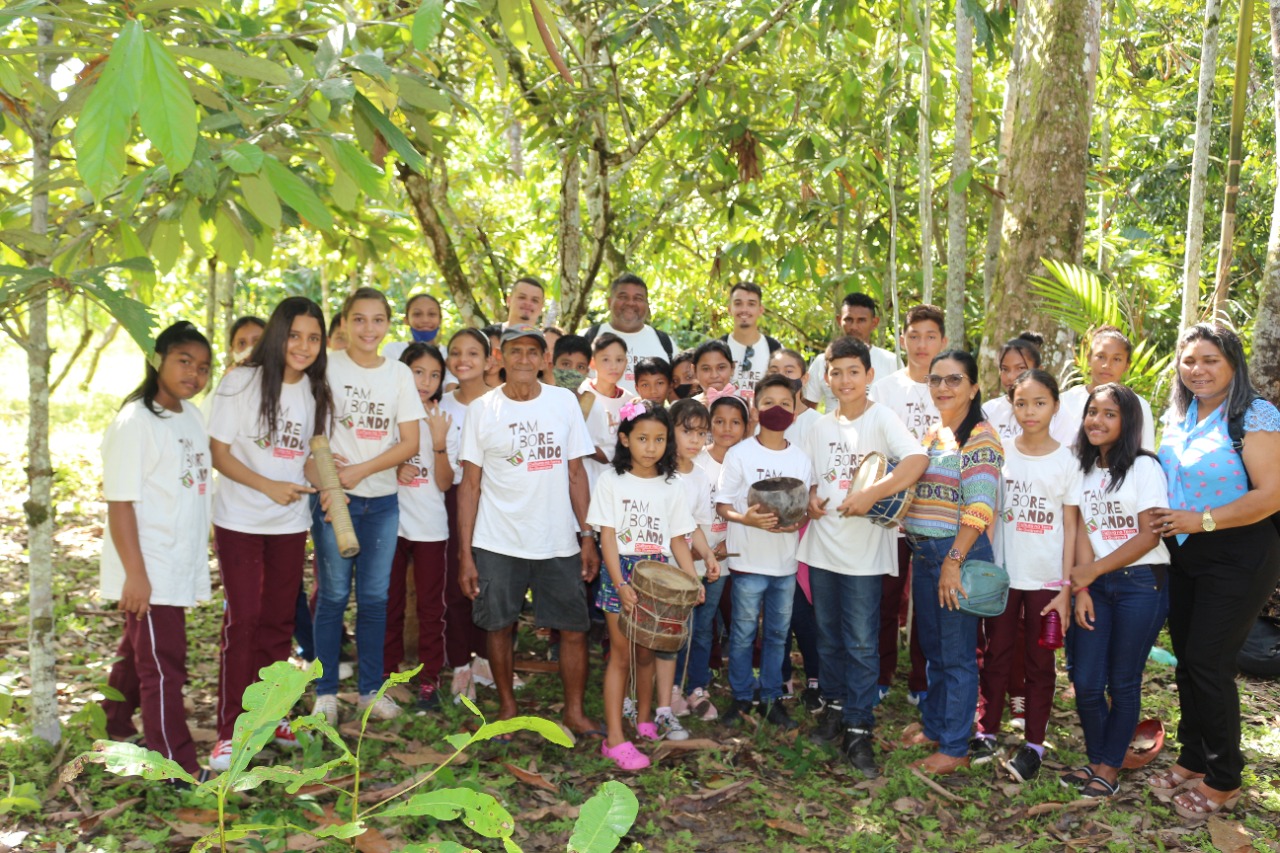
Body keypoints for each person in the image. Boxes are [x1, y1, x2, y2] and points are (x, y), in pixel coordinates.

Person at [1151, 323, 1280, 819]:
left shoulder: (1253, 414)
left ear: (1233, 364)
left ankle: (1224, 778)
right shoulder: (1178, 414)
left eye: (1210, 360)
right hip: (1185, 554)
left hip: (1239, 554)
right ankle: (1192, 758)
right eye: (1189, 361)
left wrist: (1200, 521)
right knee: (1187, 660)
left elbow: (1270, 494)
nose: (1198, 370)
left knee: (1210, 662)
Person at [457, 324, 600, 736]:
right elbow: (470, 485)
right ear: (501, 357)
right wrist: (466, 553)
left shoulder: (563, 404)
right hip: (497, 539)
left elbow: (576, 475)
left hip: (556, 539)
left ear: (544, 360)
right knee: (498, 624)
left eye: (531, 352)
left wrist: (586, 535)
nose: (523, 359)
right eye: (514, 351)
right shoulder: (482, 409)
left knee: (573, 628)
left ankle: (573, 712)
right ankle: (507, 707)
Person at [207, 297, 329, 771]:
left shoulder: (316, 392)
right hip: (240, 520)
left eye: (314, 338)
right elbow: (219, 452)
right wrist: (267, 485)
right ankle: (230, 731)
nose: (303, 346)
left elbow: (308, 455)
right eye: (295, 335)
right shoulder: (241, 382)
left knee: (279, 623)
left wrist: (323, 474)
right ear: (279, 334)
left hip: (289, 523)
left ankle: (271, 715)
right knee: (245, 621)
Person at [801, 336, 928, 777]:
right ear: (826, 377)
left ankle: (859, 727)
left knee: (860, 641)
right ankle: (835, 708)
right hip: (822, 547)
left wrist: (873, 493)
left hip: (865, 556)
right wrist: (811, 500)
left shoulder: (882, 417)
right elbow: (811, 481)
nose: (844, 379)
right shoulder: (817, 426)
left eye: (853, 371)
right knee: (828, 637)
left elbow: (916, 460)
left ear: (869, 375)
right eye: (836, 372)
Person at [101, 321, 213, 781]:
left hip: (176, 559)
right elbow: (119, 502)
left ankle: (112, 723)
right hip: (149, 566)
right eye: (183, 361)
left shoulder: (189, 415)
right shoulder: (135, 422)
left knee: (139, 649)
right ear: (157, 360)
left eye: (204, 367)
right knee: (164, 665)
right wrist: (136, 575)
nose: (194, 374)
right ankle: (175, 766)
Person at [307, 287, 424, 725]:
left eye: (377, 320)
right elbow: (309, 430)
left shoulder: (397, 374)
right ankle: (326, 692)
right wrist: (328, 477)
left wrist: (362, 470)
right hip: (335, 502)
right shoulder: (327, 368)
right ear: (343, 323)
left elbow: (410, 442)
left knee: (375, 599)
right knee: (333, 596)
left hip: (382, 503)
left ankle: (371, 691)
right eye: (359, 319)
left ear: (388, 325)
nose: (368, 329)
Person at [1062, 383, 1170, 798]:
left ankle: (1108, 768)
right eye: (1092, 412)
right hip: (1099, 586)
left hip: (1142, 584)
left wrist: (1091, 571)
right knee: (1086, 680)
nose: (1097, 420)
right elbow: (1088, 529)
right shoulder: (1084, 469)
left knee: (1122, 682)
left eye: (1109, 414)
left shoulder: (1145, 468)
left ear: (1127, 423)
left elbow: (1147, 537)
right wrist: (1085, 585)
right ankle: (1095, 758)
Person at [898, 349, 1002, 775]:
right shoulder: (934, 434)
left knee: (957, 654)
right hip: (926, 554)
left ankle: (956, 746)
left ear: (974, 387)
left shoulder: (980, 437)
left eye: (954, 379)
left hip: (956, 556)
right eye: (936, 380)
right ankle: (938, 726)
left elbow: (980, 508)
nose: (943, 387)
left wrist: (953, 562)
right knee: (935, 650)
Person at [975, 369, 1080, 783]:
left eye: (1039, 403)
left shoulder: (1068, 460)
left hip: (1046, 582)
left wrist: (1067, 586)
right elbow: (988, 514)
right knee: (996, 653)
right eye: (1021, 403)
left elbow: (1072, 527)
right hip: (1003, 576)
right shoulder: (1000, 453)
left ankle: (1033, 744)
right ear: (1011, 406)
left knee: (1040, 663)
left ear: (1055, 405)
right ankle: (986, 731)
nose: (1030, 411)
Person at [588, 402, 702, 769]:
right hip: (621, 573)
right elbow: (606, 538)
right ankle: (615, 738)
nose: (651, 447)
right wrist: (620, 583)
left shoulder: (671, 485)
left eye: (659, 439)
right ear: (625, 439)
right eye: (642, 438)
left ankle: (645, 719)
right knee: (621, 656)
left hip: (659, 578)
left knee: (648, 653)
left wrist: (692, 580)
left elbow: (678, 540)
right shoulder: (610, 481)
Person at [716, 374, 815, 730]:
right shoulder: (739, 454)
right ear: (756, 407)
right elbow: (722, 505)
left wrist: (796, 521)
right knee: (742, 633)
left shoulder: (801, 459)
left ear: (795, 411)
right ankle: (742, 696)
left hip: (784, 563)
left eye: (785, 404)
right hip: (747, 561)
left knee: (777, 634)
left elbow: (802, 507)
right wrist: (747, 519)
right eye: (769, 402)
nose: (777, 409)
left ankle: (772, 697)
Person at [870, 304, 948, 706]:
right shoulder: (884, 389)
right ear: (902, 339)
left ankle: (922, 678)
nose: (921, 344)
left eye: (930, 336)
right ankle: (881, 674)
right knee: (886, 595)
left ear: (943, 341)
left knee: (929, 602)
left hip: (937, 513)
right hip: (892, 511)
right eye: (914, 336)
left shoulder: (952, 385)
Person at [384, 343, 455, 712]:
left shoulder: (441, 418)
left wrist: (440, 445)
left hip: (430, 526)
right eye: (418, 372)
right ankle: (386, 676)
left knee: (431, 607)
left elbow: (444, 483)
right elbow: (371, 460)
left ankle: (430, 682)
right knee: (389, 602)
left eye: (434, 374)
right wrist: (394, 466)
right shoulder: (389, 412)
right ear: (402, 371)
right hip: (390, 522)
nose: (426, 381)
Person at [679, 392, 749, 720]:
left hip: (718, 561)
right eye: (718, 421)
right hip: (684, 556)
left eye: (735, 422)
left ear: (746, 428)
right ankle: (672, 687)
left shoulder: (745, 463)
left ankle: (697, 685)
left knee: (704, 624)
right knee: (680, 624)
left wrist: (719, 550)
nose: (726, 428)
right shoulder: (695, 462)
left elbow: (745, 513)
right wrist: (698, 549)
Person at [440, 329, 498, 700]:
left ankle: (487, 660)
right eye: (456, 353)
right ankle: (460, 664)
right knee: (456, 583)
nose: (464, 359)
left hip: (496, 502)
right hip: (452, 499)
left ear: (489, 361)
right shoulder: (440, 406)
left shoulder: (501, 404)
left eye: (473, 353)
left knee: (493, 582)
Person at [667, 399, 723, 719]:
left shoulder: (701, 477)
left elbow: (697, 526)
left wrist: (708, 557)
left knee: (690, 630)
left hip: (689, 568)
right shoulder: (658, 474)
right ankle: (667, 689)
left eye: (701, 433)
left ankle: (687, 687)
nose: (694, 440)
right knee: (668, 632)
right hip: (661, 568)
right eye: (686, 431)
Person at [1056, 326, 1155, 449]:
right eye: (1101, 356)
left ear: (1127, 365)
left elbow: (1145, 455)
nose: (1107, 365)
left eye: (1117, 359)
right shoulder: (1065, 402)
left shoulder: (1138, 406)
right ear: (1089, 358)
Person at [804, 293, 901, 412]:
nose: (854, 327)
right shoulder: (822, 361)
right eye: (848, 320)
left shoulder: (891, 361)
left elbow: (901, 407)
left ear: (874, 323)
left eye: (861, 320)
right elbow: (806, 410)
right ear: (839, 320)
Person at [582, 273, 677, 390]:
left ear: (647, 305)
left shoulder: (665, 343)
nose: (630, 303)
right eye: (623, 297)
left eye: (638, 298)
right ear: (609, 302)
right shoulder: (587, 338)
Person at [582, 333, 632, 491]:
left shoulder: (629, 401)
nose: (614, 366)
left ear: (626, 362)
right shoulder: (581, 392)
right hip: (584, 479)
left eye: (619, 360)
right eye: (605, 360)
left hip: (616, 484)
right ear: (592, 362)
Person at [717, 281, 781, 390]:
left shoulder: (775, 350)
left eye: (751, 304)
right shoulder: (717, 349)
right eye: (738, 303)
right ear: (729, 309)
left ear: (760, 310)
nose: (744, 309)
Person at [982, 332, 1045, 443]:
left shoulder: (1053, 412)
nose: (1011, 377)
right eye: (1005, 369)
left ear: (1038, 370)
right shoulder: (988, 411)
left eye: (1020, 368)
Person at [383, 293, 444, 362]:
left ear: (440, 320)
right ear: (406, 320)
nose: (425, 320)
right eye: (417, 314)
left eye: (432, 314)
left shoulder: (450, 355)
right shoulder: (394, 350)